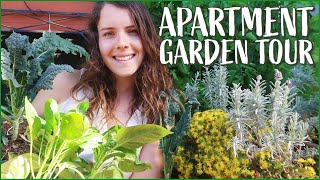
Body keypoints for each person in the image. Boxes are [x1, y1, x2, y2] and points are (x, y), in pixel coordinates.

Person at [32, 2, 174, 178]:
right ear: (97, 41)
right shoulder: (63, 83)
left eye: (133, 31)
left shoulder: (159, 111)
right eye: (109, 33)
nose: (122, 43)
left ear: (148, 37)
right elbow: (18, 148)